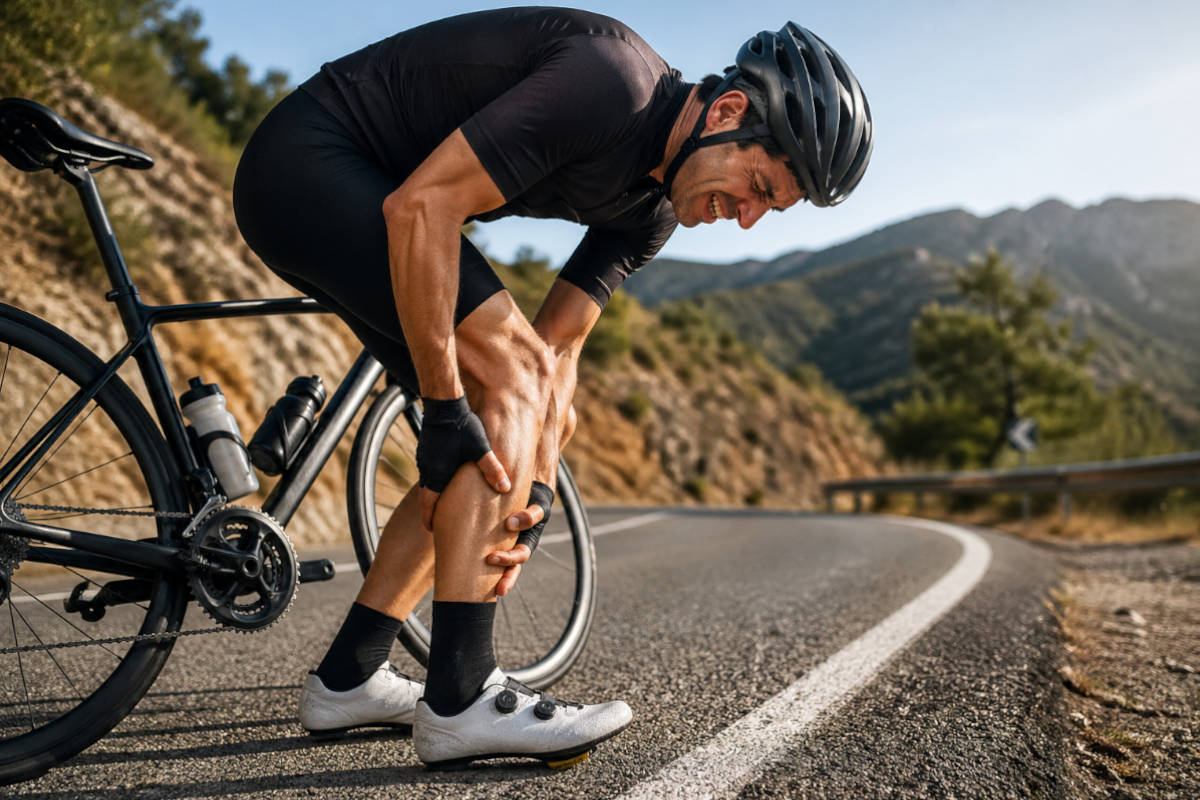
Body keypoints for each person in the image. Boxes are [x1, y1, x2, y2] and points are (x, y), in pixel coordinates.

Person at [232, 7, 872, 769]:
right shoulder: (614, 84)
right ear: (729, 112)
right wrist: (445, 408)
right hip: (310, 163)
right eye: (759, 186)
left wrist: (530, 489)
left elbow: (557, 354)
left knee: (507, 421)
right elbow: (425, 207)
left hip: (372, 198)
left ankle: (349, 676)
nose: (748, 220)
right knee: (493, 395)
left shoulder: (653, 212)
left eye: (771, 208)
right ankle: (462, 698)